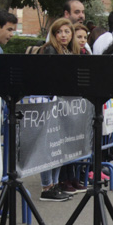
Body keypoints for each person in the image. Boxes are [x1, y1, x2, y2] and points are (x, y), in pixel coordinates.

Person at [33, 18, 79, 201]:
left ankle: (55, 183)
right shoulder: (49, 50)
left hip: (63, 104)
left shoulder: (70, 51)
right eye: (59, 32)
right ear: (53, 34)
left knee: (59, 145)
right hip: (49, 102)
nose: (63, 35)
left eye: (67, 32)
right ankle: (47, 186)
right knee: (48, 145)